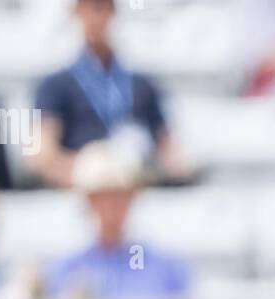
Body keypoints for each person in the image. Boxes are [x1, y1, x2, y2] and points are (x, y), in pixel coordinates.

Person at [31, 0, 189, 188]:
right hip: (82, 189)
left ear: (113, 12)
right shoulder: (54, 85)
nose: (95, 17)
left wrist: (145, 171)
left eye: (101, 7)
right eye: (88, 9)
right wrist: (91, 171)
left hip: (135, 185)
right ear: (76, 14)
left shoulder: (143, 84)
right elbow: (41, 155)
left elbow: (168, 148)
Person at [47, 141, 191, 299]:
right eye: (100, 197)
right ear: (87, 202)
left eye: (120, 196)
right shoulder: (65, 269)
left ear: (133, 197)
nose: (111, 207)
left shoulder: (166, 267)